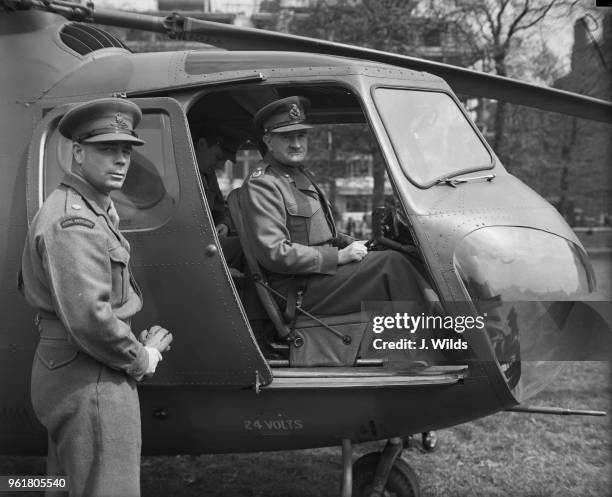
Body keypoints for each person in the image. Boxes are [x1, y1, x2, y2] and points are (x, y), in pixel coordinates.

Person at [19, 98, 173, 497]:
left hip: (76, 366)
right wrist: (142, 358)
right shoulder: (76, 221)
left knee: (68, 485)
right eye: (107, 149)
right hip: (92, 375)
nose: (121, 160)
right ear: (77, 152)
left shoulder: (94, 209)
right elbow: (90, 318)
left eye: (126, 150)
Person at [239, 96, 427, 317]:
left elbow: (326, 235)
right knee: (392, 265)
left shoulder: (298, 175)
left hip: (318, 277)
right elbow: (275, 254)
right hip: (297, 288)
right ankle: (439, 339)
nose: (297, 144)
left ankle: (426, 336)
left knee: (399, 255)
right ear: (268, 141)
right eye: (287, 137)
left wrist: (359, 244)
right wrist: (338, 257)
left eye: (301, 135)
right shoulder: (263, 184)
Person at [191, 122, 245, 270]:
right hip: (191, 246)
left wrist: (224, 224)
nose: (221, 166)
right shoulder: (179, 174)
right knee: (248, 249)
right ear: (202, 144)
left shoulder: (208, 175)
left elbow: (220, 209)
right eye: (218, 157)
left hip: (206, 242)